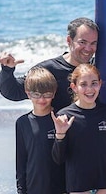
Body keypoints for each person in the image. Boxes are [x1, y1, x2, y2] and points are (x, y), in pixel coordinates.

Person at [0, 17, 99, 112]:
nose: (88, 49)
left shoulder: (99, 68)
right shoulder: (49, 70)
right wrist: (7, 70)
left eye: (93, 43)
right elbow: (13, 92)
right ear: (69, 40)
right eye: (82, 42)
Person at [51, 63, 106, 194]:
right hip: (78, 185)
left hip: (105, 184)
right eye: (83, 84)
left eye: (94, 83)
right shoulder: (64, 116)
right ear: (74, 87)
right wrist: (60, 134)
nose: (89, 89)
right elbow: (58, 159)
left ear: (100, 84)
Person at [15, 66, 66, 194]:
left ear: (54, 93)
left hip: (61, 188)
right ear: (28, 93)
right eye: (36, 94)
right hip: (33, 188)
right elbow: (21, 162)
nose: (42, 99)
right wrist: (21, 190)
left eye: (47, 94)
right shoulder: (22, 122)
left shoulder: (61, 121)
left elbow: (67, 158)